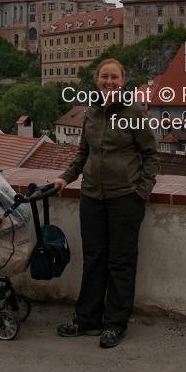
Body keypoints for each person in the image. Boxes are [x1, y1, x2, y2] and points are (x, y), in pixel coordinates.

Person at [53, 58, 159, 348]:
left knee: (121, 262)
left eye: (114, 77)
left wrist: (142, 192)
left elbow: (151, 155)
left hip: (125, 197)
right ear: (97, 79)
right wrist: (65, 178)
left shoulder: (134, 111)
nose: (109, 82)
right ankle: (87, 319)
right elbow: (82, 153)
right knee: (94, 259)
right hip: (92, 196)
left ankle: (115, 323)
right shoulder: (91, 112)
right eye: (104, 77)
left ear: (122, 80)